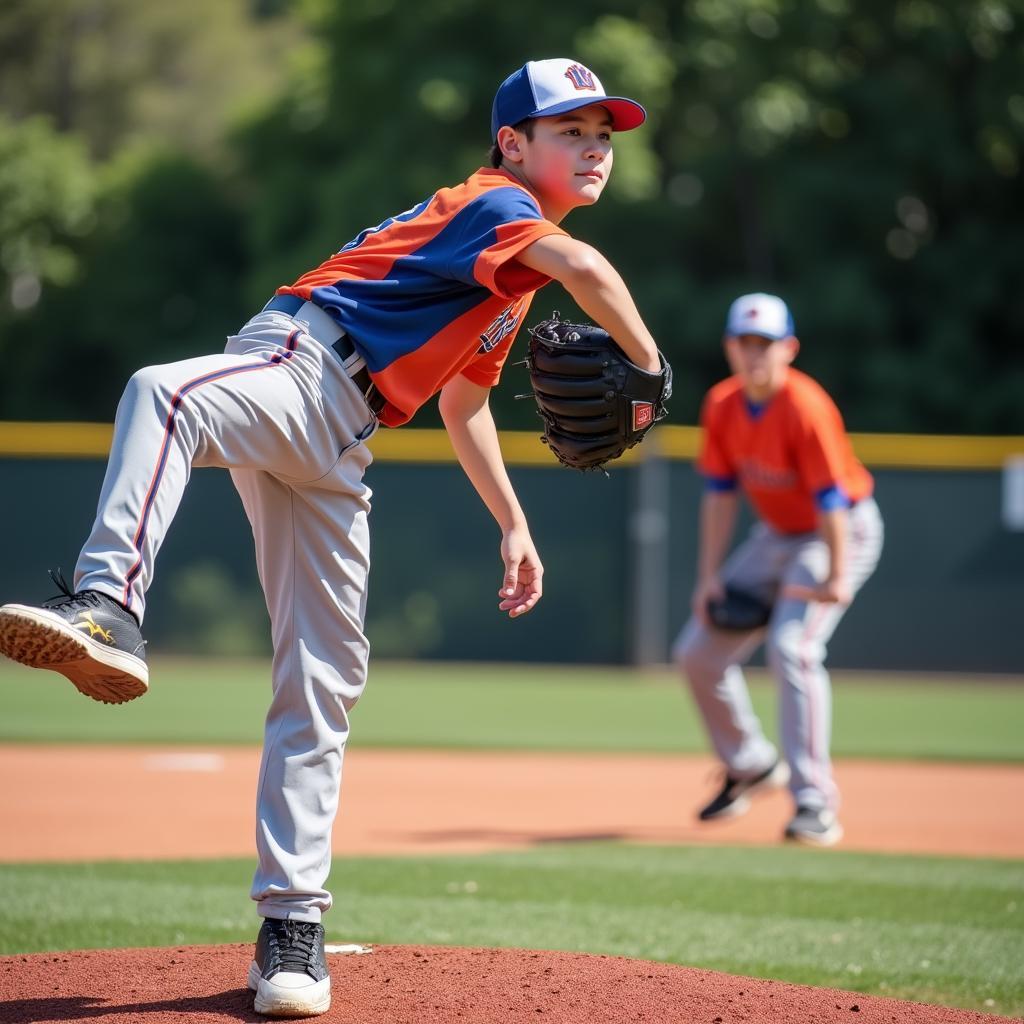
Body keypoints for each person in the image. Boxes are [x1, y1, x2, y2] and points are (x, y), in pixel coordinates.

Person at [0, 59, 661, 1017]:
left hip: (344, 441)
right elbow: (589, 269)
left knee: (322, 678)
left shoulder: (510, 278)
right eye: (572, 130)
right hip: (298, 367)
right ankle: (108, 605)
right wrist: (649, 367)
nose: (595, 147)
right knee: (164, 391)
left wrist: (514, 523)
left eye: (604, 134)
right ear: (514, 145)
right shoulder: (495, 205)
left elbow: (467, 399)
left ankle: (292, 935)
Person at [672, 293, 883, 848]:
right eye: (745, 342)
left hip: (839, 532)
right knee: (697, 651)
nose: (754, 353)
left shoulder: (806, 406)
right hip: (776, 538)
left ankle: (815, 803)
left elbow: (832, 501)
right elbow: (719, 494)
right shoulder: (722, 405)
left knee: (793, 647)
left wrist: (837, 576)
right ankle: (750, 764)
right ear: (730, 348)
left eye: (765, 343)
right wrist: (709, 575)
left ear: (789, 348)